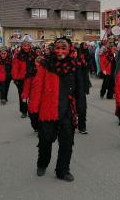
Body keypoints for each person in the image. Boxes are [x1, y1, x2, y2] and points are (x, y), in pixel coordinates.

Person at [34, 38, 79, 181]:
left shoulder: (74, 65)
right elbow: (37, 87)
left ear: (69, 49)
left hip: (67, 110)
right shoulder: (46, 64)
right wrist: (34, 109)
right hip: (48, 109)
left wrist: (81, 109)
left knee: (66, 142)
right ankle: (42, 163)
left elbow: (80, 89)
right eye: (57, 48)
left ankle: (63, 170)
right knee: (45, 141)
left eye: (63, 48)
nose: (60, 51)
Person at [12, 42, 36, 118]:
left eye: (27, 46)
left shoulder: (34, 55)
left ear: (30, 46)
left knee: (33, 95)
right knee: (23, 96)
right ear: (22, 47)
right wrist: (15, 78)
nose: (26, 47)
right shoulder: (18, 56)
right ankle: (24, 111)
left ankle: (32, 110)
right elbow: (15, 68)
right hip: (22, 79)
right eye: (24, 46)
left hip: (32, 78)